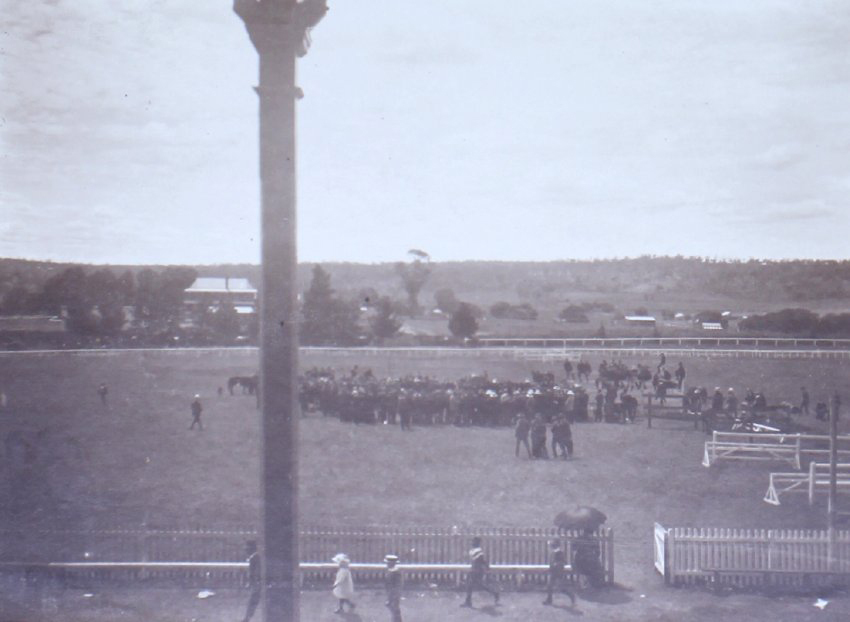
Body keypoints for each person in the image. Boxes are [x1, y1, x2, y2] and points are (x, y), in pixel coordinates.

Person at [461, 537, 499, 607]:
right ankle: (495, 593)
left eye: (474, 541)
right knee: (474, 585)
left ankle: (495, 593)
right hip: (474, 569)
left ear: (477, 543)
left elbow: (482, 560)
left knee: (474, 585)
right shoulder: (474, 550)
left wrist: (487, 568)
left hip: (478, 570)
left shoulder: (478, 551)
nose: (472, 543)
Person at [542, 539, 576, 607]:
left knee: (563, 588)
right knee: (549, 586)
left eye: (551, 545)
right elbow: (551, 562)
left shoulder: (560, 553)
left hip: (559, 573)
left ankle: (573, 599)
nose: (550, 547)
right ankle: (549, 600)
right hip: (553, 572)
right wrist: (551, 567)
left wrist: (557, 564)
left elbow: (563, 562)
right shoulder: (553, 553)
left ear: (555, 545)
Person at [241, 540, 261, 622]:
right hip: (259, 584)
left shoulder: (255, 558)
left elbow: (256, 572)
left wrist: (254, 582)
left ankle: (247, 618)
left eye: (247, 547)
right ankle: (247, 618)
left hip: (260, 584)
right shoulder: (254, 557)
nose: (245, 549)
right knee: (253, 601)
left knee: (253, 601)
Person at [384, 553, 403, 622]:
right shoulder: (391, 571)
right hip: (392, 592)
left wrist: (391, 596)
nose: (387, 564)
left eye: (388, 563)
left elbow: (397, 584)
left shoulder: (395, 571)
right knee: (393, 608)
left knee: (394, 608)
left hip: (394, 592)